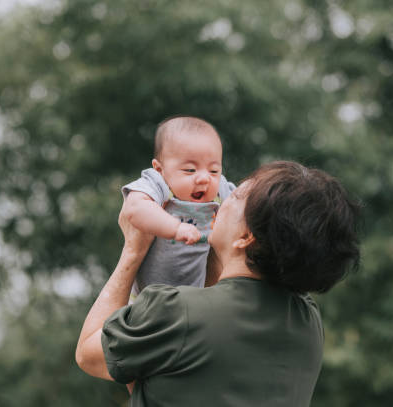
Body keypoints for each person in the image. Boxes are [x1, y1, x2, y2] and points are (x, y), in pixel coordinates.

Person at [76, 161, 361, 406]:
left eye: (235, 196)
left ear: (246, 237)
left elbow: (90, 352)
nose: (222, 199)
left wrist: (133, 250)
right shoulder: (308, 322)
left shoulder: (175, 312)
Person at [121, 116, 235, 298]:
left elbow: (245, 208)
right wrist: (175, 228)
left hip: (193, 298)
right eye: (190, 170)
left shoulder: (220, 189)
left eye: (213, 170)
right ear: (160, 169)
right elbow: (134, 208)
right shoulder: (159, 184)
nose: (204, 178)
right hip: (147, 299)